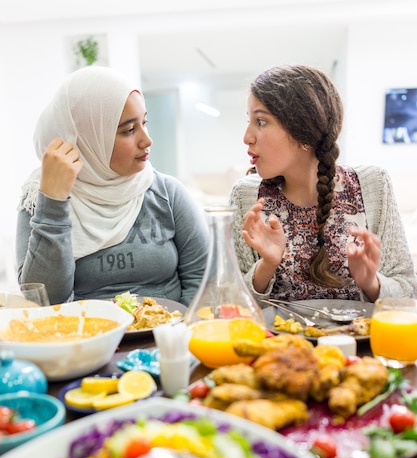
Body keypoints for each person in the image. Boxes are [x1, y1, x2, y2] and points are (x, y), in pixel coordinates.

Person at [16, 66, 209, 306]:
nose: (147, 140)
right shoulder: (40, 198)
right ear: (88, 138)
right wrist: (54, 202)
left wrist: (179, 334)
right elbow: (44, 302)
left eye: (144, 123)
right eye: (129, 130)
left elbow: (203, 281)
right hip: (88, 339)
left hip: (168, 335)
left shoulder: (168, 193)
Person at [230, 64, 417, 303]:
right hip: (279, 341)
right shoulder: (245, 195)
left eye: (261, 121)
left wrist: (371, 282)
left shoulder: (373, 185)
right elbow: (233, 305)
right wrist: (265, 267)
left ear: (302, 131)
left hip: (361, 340)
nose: (247, 137)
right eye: (250, 121)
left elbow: (409, 292)